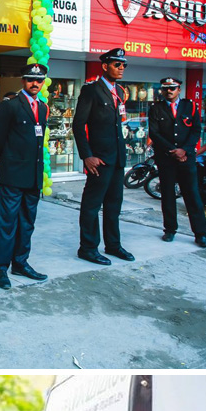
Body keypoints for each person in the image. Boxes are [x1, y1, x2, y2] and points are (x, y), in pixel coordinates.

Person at [0, 62, 49, 290]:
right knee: (7, 224)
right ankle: (1, 268)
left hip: (33, 177)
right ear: (23, 81)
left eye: (39, 80)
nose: (35, 83)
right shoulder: (10, 106)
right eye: (31, 79)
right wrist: (10, 161)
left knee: (27, 224)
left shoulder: (43, 108)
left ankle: (21, 263)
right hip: (13, 176)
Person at [72, 48, 134, 265]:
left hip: (117, 159)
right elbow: (78, 125)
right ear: (105, 66)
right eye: (117, 64)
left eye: (124, 65)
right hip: (99, 159)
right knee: (91, 205)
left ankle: (113, 245)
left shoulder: (119, 90)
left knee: (114, 205)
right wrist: (87, 156)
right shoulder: (92, 90)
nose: (121, 68)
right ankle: (88, 248)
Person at [149, 77, 206, 248]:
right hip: (167, 158)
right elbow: (154, 133)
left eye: (173, 88)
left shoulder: (189, 106)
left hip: (186, 158)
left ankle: (200, 234)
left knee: (192, 195)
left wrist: (185, 150)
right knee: (167, 194)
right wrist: (173, 151)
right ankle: (170, 230)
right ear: (162, 90)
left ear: (179, 89)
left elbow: (196, 130)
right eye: (166, 88)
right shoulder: (156, 108)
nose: (169, 91)